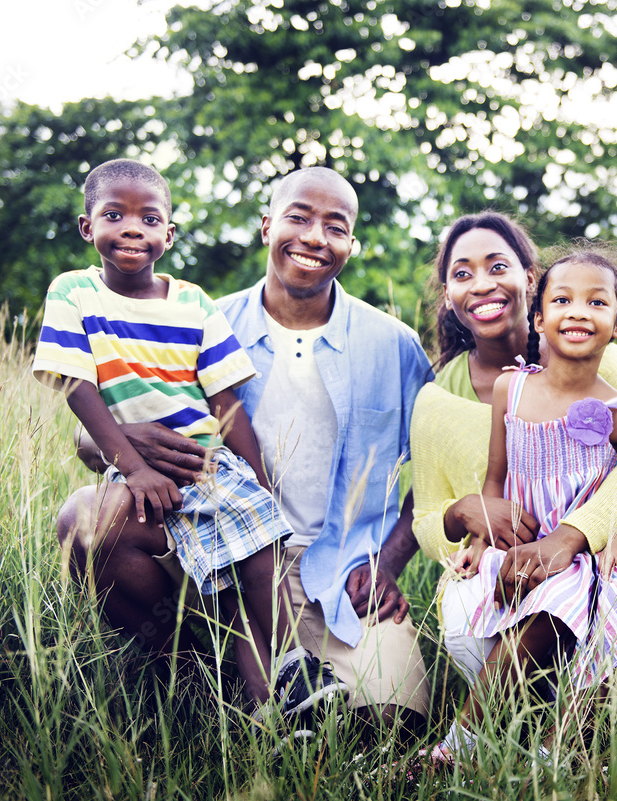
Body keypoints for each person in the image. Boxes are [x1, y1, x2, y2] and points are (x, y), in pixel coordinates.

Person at [63, 166, 434, 736]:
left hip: (338, 574)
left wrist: (388, 563)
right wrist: (108, 440)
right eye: (298, 218)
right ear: (267, 227)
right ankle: (194, 670)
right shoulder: (197, 318)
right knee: (84, 520)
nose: (314, 237)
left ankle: (286, 682)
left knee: (387, 727)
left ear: (351, 245)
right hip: (216, 557)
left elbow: (436, 472)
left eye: (335, 227)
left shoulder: (395, 344)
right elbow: (97, 429)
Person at [37, 158, 344, 716]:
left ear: (169, 234)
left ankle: (278, 691)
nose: (133, 228)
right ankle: (182, 671)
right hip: (140, 472)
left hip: (209, 463)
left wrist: (259, 482)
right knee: (94, 525)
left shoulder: (195, 304)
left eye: (149, 219)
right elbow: (77, 388)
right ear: (87, 228)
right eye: (114, 215)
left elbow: (227, 404)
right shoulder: (74, 293)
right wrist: (134, 466)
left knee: (253, 558)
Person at [408, 214, 617, 755]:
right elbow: (490, 484)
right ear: (542, 317)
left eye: (597, 303)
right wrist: (471, 529)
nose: (578, 313)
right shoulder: (505, 392)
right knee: (531, 621)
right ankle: (458, 746)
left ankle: (559, 747)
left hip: (593, 552)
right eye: (563, 302)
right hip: (524, 550)